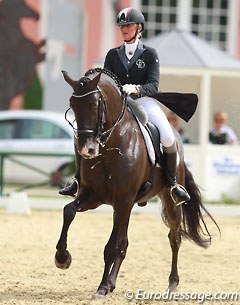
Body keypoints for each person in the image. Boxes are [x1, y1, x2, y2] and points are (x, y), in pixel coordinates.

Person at [59, 7, 190, 205]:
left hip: (144, 101)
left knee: (168, 135)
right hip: (119, 104)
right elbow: (108, 81)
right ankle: (78, 180)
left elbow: (153, 85)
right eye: (122, 26)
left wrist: (136, 89)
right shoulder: (113, 54)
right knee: (85, 133)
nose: (124, 29)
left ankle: (172, 184)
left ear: (138, 28)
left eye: (128, 25)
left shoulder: (149, 54)